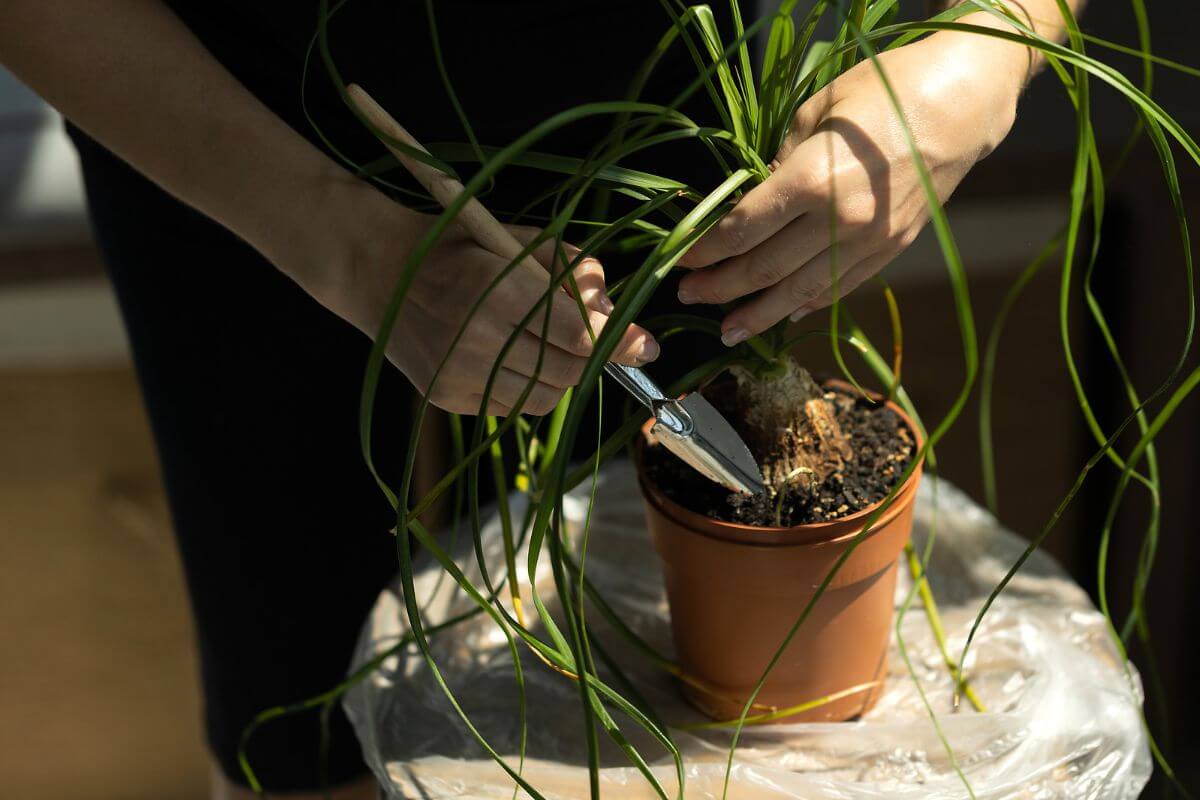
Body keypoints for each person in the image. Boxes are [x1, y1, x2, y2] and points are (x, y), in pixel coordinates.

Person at [1, 0, 1081, 796]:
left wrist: (986, 47)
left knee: (672, 725)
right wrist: (344, 247)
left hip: (682, 137)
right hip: (235, 133)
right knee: (303, 715)